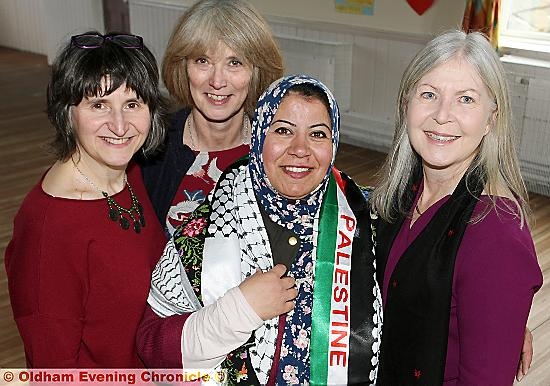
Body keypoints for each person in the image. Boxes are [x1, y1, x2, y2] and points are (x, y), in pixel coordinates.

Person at [137, 75, 383, 385]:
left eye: (317, 134)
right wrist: (239, 310)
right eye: (283, 130)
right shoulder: (208, 226)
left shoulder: (366, 227)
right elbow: (151, 344)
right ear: (259, 138)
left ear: (333, 145)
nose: (300, 149)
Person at [370, 29, 543, 385]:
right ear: (407, 105)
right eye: (429, 94)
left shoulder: (496, 235)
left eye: (466, 99)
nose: (442, 115)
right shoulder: (401, 196)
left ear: (491, 118)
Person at [5, 32, 168, 367]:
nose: (120, 126)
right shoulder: (49, 229)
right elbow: (55, 369)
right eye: (99, 105)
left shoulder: (128, 174)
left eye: (133, 104)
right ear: (67, 113)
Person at [140, 0, 284, 237]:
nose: (217, 81)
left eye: (234, 62)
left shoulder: (276, 151)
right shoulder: (150, 147)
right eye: (202, 61)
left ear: (256, 72)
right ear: (183, 67)